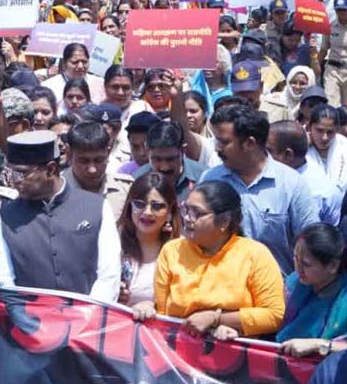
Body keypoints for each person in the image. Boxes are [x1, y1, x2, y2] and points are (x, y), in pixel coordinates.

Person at [132, 181, 285, 340]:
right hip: (175, 347)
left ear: (224, 221)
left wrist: (217, 318)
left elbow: (274, 315)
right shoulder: (171, 251)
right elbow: (162, 313)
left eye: (197, 213)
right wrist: (148, 307)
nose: (187, 218)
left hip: (234, 350)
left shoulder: (255, 254)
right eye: (185, 209)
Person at [0, 130, 121, 302]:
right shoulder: (5, 216)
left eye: (22, 173)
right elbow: (4, 280)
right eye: (11, 173)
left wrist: (88, 313)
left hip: (89, 315)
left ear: (50, 169)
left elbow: (109, 275)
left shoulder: (98, 207)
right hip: (28, 317)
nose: (15, 180)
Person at [201, 104, 320, 273]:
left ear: (250, 143)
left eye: (224, 142)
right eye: (217, 140)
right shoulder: (209, 180)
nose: (217, 148)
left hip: (277, 286)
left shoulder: (291, 184)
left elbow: (311, 243)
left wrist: (295, 284)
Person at [276, 223, 347, 356]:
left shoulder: (343, 299)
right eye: (296, 259)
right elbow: (273, 316)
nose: (298, 268)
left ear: (333, 265)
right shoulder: (294, 283)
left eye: (306, 264)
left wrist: (319, 345)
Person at [117, 172, 179, 306]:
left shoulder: (181, 251)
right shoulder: (113, 241)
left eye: (157, 206)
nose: (147, 212)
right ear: (129, 206)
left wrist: (153, 306)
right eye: (139, 204)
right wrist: (112, 292)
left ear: (170, 212)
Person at [267, 120, 343, 227]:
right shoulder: (274, 174)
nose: (262, 155)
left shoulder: (314, 194)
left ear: (288, 155)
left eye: (268, 151)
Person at [63, 121, 133, 220]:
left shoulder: (126, 189)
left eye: (99, 160)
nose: (92, 170)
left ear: (108, 152)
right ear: (69, 155)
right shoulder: (55, 192)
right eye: (84, 161)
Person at [132, 121, 205, 202]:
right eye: (157, 159)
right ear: (147, 151)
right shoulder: (137, 181)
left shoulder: (203, 178)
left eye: (170, 159)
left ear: (182, 150)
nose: (164, 167)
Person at [306, 104, 347, 191]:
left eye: (330, 132)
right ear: (309, 127)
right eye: (319, 130)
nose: (325, 137)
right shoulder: (299, 147)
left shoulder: (343, 146)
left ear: (337, 129)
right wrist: (302, 145)